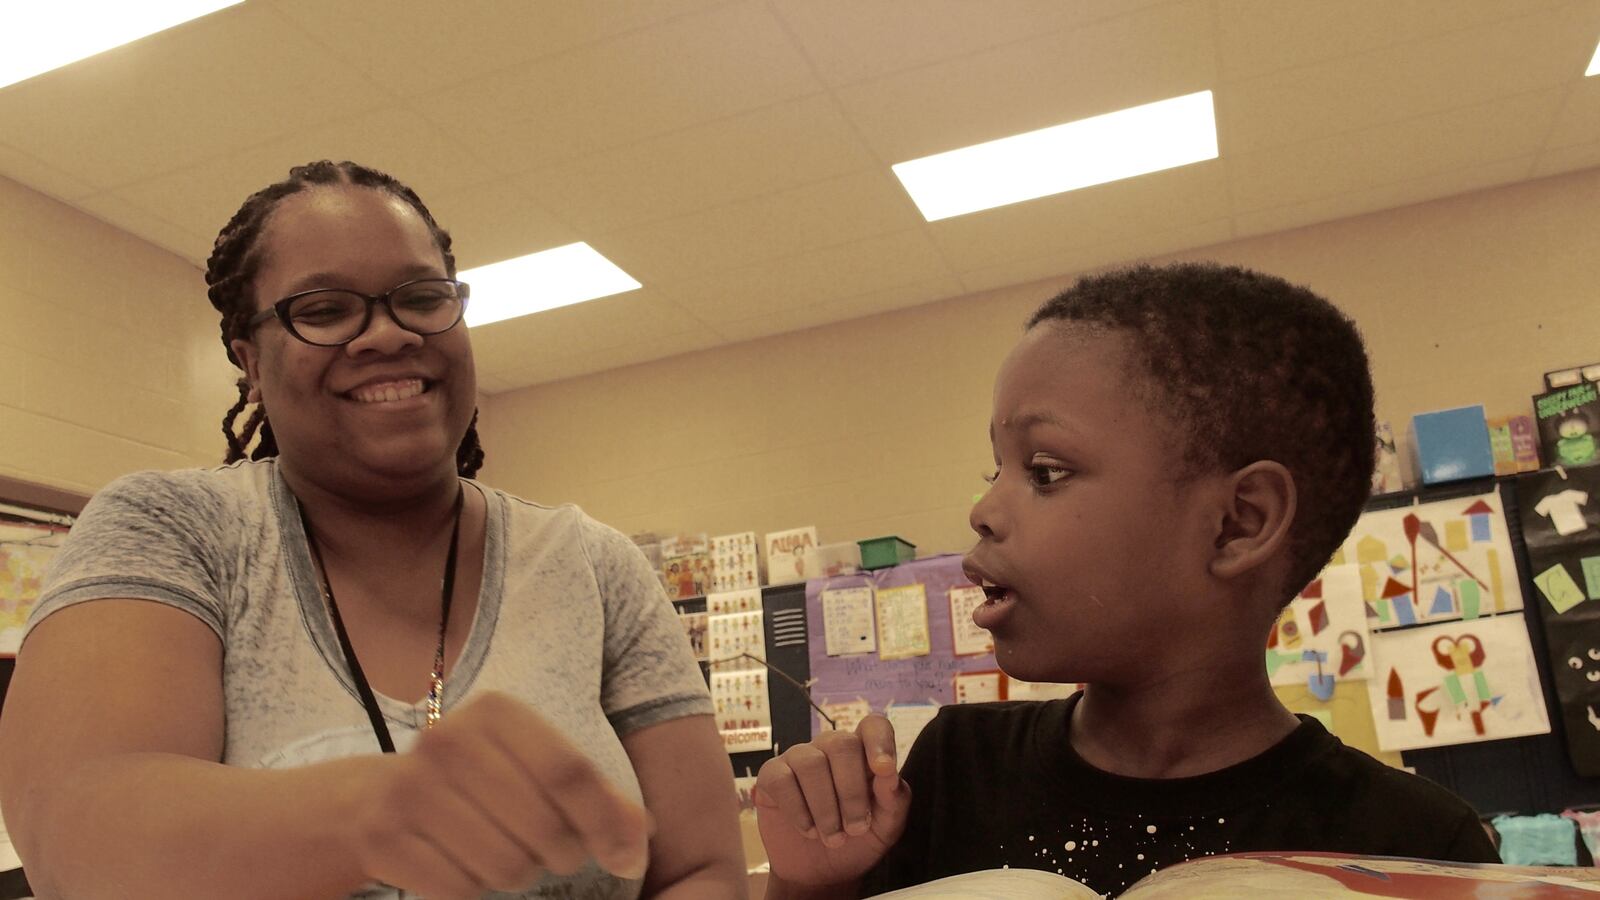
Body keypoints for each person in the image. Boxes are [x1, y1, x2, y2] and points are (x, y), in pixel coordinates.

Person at [0, 161, 745, 900]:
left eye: (421, 298)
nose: (386, 335)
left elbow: (701, 869)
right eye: (324, 310)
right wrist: (377, 810)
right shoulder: (172, 530)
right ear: (250, 363)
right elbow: (76, 841)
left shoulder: (596, 567)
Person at [753, 263, 1501, 898]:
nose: (982, 510)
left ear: (1238, 522)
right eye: (995, 470)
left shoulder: (1413, 849)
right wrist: (813, 885)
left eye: (1045, 472)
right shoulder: (954, 771)